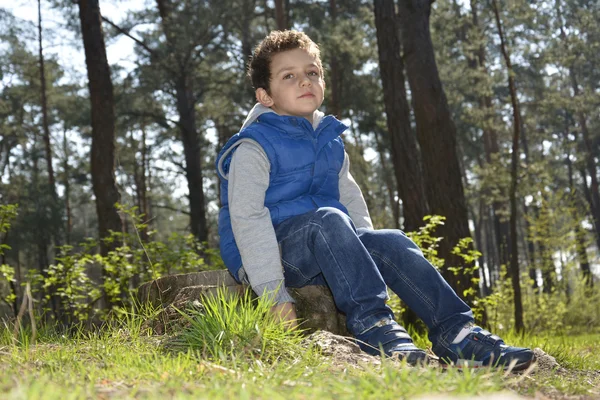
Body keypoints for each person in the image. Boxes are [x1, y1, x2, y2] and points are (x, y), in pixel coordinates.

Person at [215, 30, 534, 370]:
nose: (304, 81)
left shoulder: (329, 140)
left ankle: (458, 333)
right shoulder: (253, 146)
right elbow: (247, 219)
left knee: (391, 240)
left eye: (312, 73)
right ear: (265, 95)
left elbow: (350, 198)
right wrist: (274, 296)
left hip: (326, 243)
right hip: (272, 256)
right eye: (288, 76)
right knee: (327, 220)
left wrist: (363, 252)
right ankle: (373, 326)